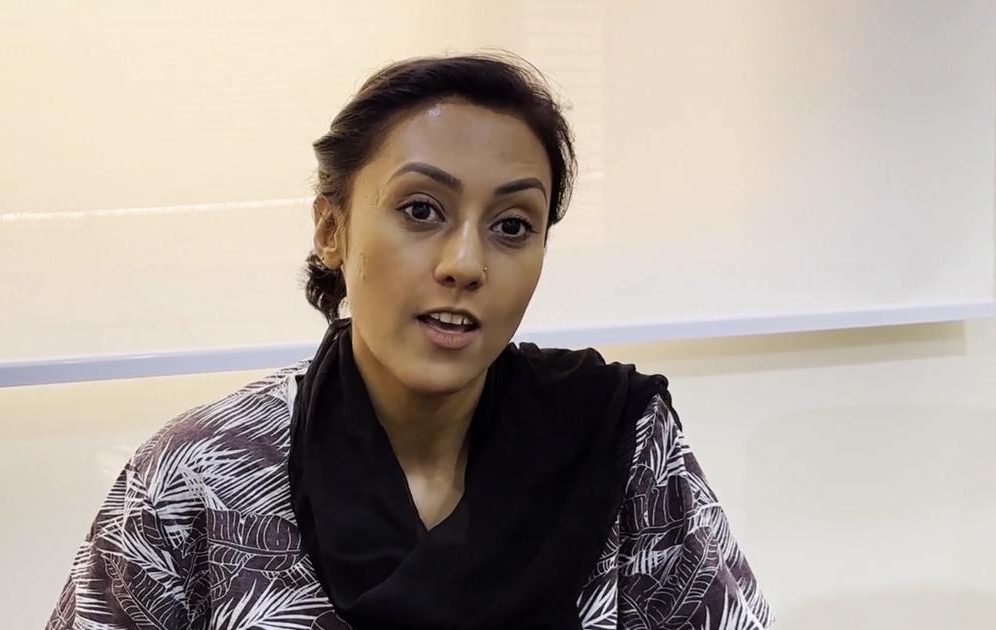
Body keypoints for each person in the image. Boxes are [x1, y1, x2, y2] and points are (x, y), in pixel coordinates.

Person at [46, 52, 775, 630]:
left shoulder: (620, 447)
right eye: (421, 210)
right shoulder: (199, 476)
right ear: (332, 229)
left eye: (513, 225)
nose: (466, 264)